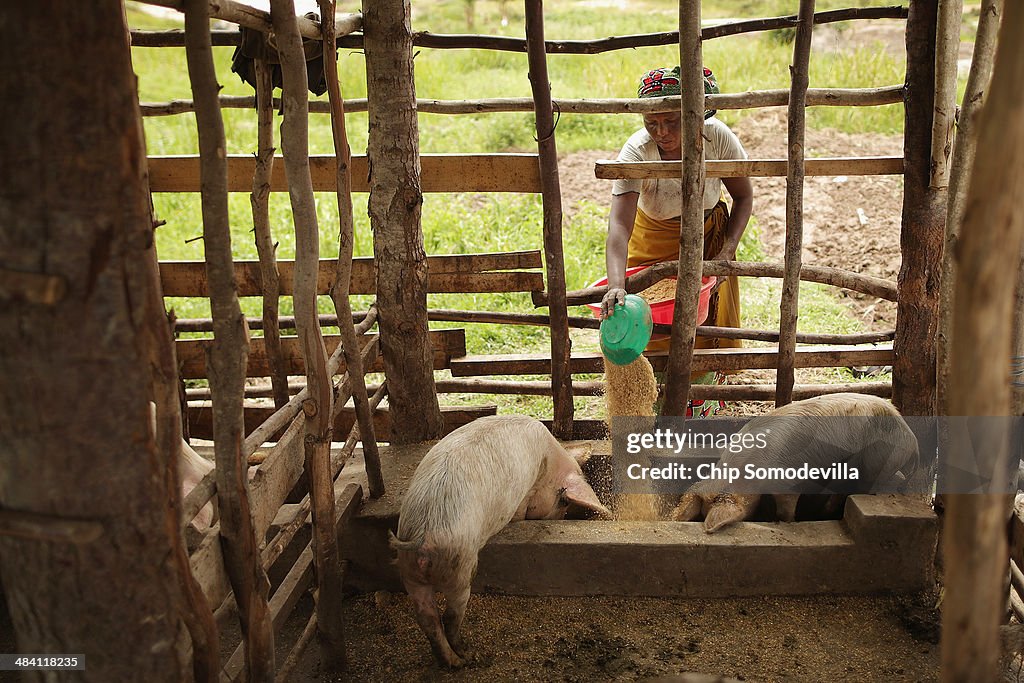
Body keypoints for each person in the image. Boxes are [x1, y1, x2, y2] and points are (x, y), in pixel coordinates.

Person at [600, 66, 754, 417]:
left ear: (696, 115)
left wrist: (727, 252)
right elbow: (619, 227)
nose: (662, 133)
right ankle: (653, 406)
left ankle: (699, 409)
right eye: (651, 123)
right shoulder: (637, 152)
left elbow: (743, 198)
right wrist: (616, 284)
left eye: (671, 121)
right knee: (648, 324)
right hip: (652, 241)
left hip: (705, 242)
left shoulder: (718, 140)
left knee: (702, 326)